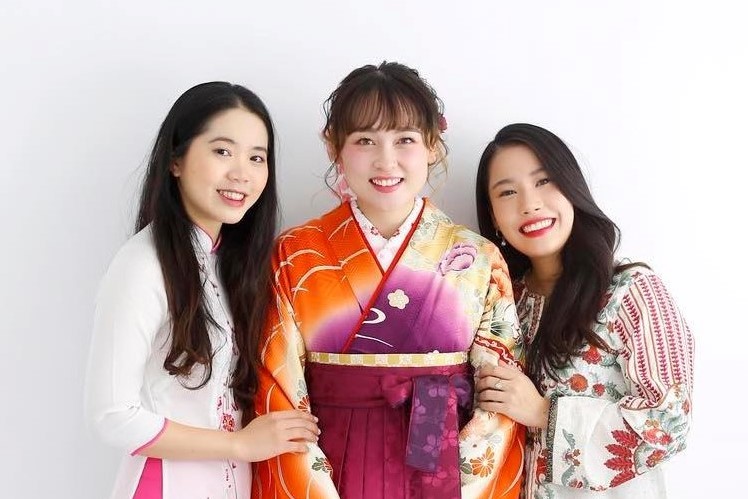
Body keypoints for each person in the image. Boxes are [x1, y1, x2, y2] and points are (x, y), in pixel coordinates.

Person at [251, 62, 525, 499]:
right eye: (364, 140)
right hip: (331, 465)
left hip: (445, 467)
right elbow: (279, 392)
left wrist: (461, 486)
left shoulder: (479, 258)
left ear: (432, 146)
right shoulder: (294, 254)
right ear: (334, 146)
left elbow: (502, 399)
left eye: (405, 140)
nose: (386, 160)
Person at [84, 82, 319, 499]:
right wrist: (240, 445)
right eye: (223, 151)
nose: (241, 173)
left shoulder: (230, 266)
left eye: (257, 157)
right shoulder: (143, 265)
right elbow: (112, 416)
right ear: (175, 160)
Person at [473, 123, 694, 498]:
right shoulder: (500, 302)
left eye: (544, 181)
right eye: (508, 192)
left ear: (571, 187)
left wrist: (543, 412)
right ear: (493, 216)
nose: (529, 204)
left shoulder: (631, 292)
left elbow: (667, 424)